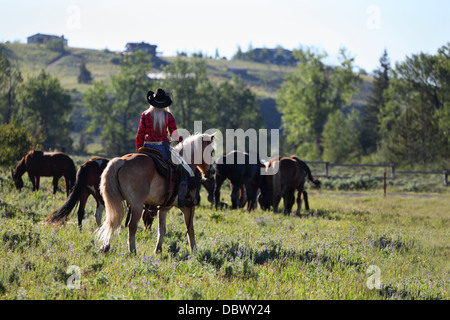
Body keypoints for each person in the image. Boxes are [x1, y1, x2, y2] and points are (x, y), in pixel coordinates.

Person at [136, 88, 194, 208]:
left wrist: (139, 150)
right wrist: (182, 141)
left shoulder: (145, 115)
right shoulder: (168, 116)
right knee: (182, 168)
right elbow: (174, 135)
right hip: (162, 148)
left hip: (146, 147)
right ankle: (181, 197)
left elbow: (140, 135)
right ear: (165, 104)